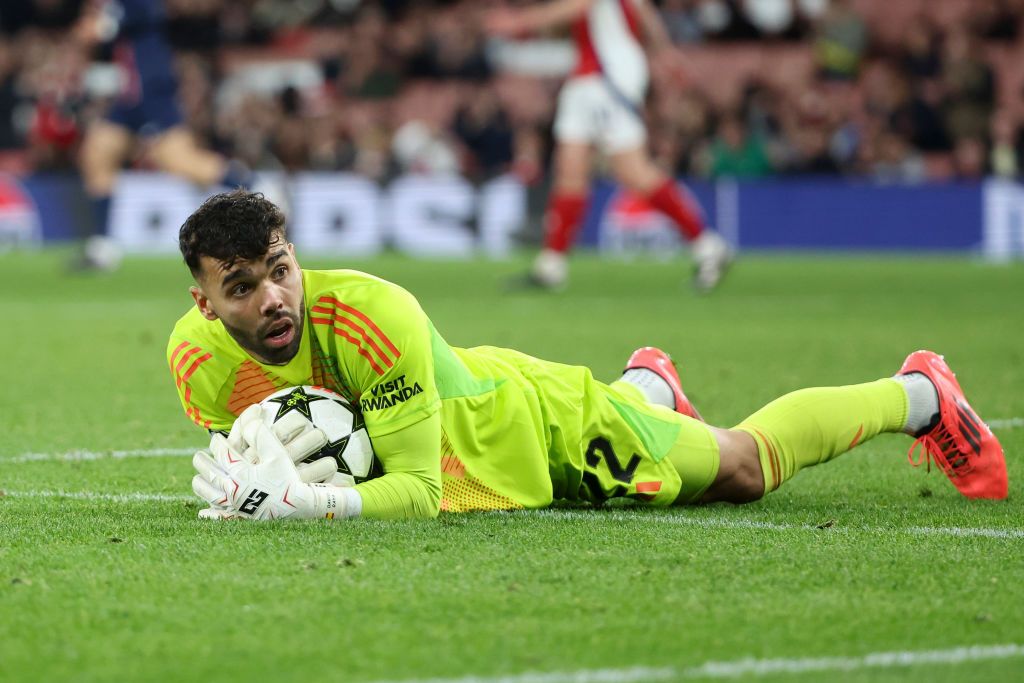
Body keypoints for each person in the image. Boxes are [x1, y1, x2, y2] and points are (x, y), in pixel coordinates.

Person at [170, 191, 1007, 521]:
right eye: (242, 287)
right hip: (460, 442)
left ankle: (918, 394)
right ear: (205, 303)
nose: (273, 297)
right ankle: (645, 386)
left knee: (740, 469)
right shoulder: (197, 361)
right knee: (668, 436)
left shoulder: (373, 316)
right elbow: (264, 448)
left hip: (528, 426)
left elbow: (421, 491)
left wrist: (304, 508)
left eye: (280, 271)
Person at [484, 0, 732, 292]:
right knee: (570, 172)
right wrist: (663, 51)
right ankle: (551, 267)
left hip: (608, 74)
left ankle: (709, 246)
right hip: (588, 75)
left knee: (633, 171)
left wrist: (521, 21)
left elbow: (578, 5)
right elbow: (646, 13)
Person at [74, 0, 256, 270]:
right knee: (97, 154)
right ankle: (103, 248)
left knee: (179, 160)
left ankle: (257, 185)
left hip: (150, 87)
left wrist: (98, 27)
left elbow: (132, 18)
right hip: (131, 91)